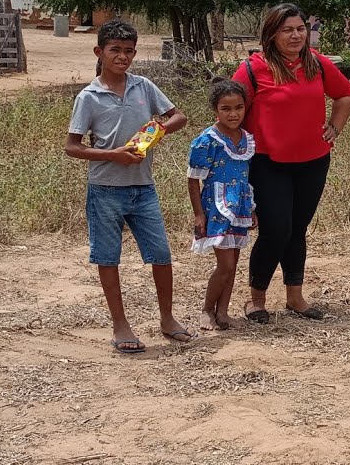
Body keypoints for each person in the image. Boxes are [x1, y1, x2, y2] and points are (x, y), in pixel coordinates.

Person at [64, 20, 192, 354]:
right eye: (115, 50)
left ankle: (167, 318)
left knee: (161, 254)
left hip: (143, 187)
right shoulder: (89, 97)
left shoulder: (143, 87)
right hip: (105, 188)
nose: (123, 57)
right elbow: (73, 147)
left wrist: (152, 135)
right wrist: (114, 155)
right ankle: (120, 324)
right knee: (108, 258)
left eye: (129, 51)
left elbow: (178, 117)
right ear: (100, 52)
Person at [233, 3, 350, 323]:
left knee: (296, 229)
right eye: (287, 29)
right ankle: (256, 299)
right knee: (276, 229)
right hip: (267, 163)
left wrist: (335, 126)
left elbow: (345, 94)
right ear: (272, 34)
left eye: (301, 28)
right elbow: (229, 113)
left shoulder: (317, 63)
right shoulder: (252, 69)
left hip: (313, 162)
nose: (296, 35)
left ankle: (295, 296)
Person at [188, 79, 258, 331]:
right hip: (216, 208)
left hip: (240, 205)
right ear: (215, 110)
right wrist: (199, 214)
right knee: (225, 265)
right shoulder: (207, 141)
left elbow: (245, 175)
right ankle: (207, 309)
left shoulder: (247, 139)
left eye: (238, 107)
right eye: (226, 109)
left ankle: (223, 311)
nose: (233, 114)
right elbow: (194, 179)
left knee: (233, 264)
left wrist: (252, 209)